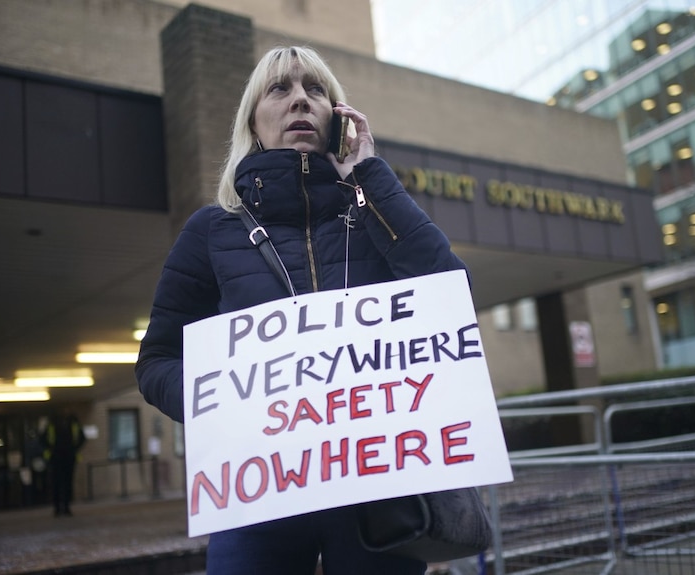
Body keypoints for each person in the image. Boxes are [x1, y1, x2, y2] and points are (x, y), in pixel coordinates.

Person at [136, 45, 467, 575]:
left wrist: (372, 178)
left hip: (377, 486)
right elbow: (156, 361)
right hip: (258, 488)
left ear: (338, 118)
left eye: (316, 90)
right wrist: (222, 411)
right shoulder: (210, 230)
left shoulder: (375, 208)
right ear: (253, 119)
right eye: (280, 89)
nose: (299, 102)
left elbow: (450, 299)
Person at [41, 410, 86, 517]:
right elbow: (43, 439)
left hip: (64, 457)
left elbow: (82, 438)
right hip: (60, 457)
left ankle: (63, 507)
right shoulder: (54, 426)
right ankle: (61, 508)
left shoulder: (70, 425)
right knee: (61, 483)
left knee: (64, 483)